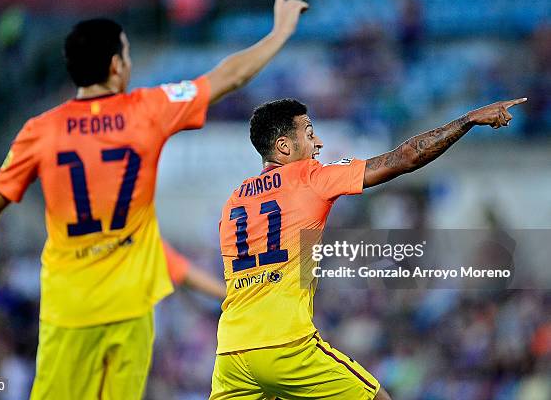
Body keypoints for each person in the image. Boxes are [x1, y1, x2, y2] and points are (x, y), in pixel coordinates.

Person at [0, 0, 307, 399]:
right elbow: (229, 76)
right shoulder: (148, 109)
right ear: (114, 66)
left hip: (69, 308)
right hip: (130, 306)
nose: (128, 62)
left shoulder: (40, 131)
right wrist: (279, 32)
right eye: (125, 54)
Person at [212, 97, 527, 400]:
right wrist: (468, 119)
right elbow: (405, 158)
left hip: (231, 353)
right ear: (283, 146)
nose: (318, 143)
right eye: (309, 134)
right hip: (285, 345)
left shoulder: (232, 203)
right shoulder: (309, 178)